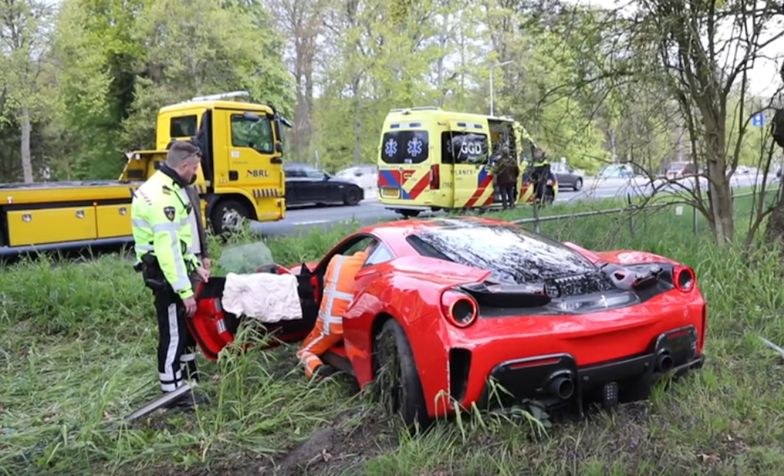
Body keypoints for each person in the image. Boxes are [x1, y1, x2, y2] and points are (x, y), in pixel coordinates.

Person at [131, 140, 211, 407]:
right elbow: (167, 251)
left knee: (185, 330)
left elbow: (178, 241)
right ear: (185, 165)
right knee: (174, 333)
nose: (196, 173)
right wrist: (185, 292)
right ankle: (172, 393)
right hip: (165, 276)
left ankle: (188, 379)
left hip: (171, 270)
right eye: (196, 168)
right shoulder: (162, 197)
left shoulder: (169, 187)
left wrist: (195, 264)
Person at [297, 249, 369, 379]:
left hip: (332, 326)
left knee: (304, 351)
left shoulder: (337, 260)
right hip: (356, 326)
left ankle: (317, 371)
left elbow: (324, 283)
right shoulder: (372, 268)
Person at [492, 145, 520, 210]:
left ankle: (505, 207)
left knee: (503, 195)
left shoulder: (499, 161)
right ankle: (512, 205)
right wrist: (514, 177)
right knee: (510, 193)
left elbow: (495, 170)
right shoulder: (512, 161)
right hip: (511, 181)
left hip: (502, 181)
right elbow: (517, 170)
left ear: (502, 153)